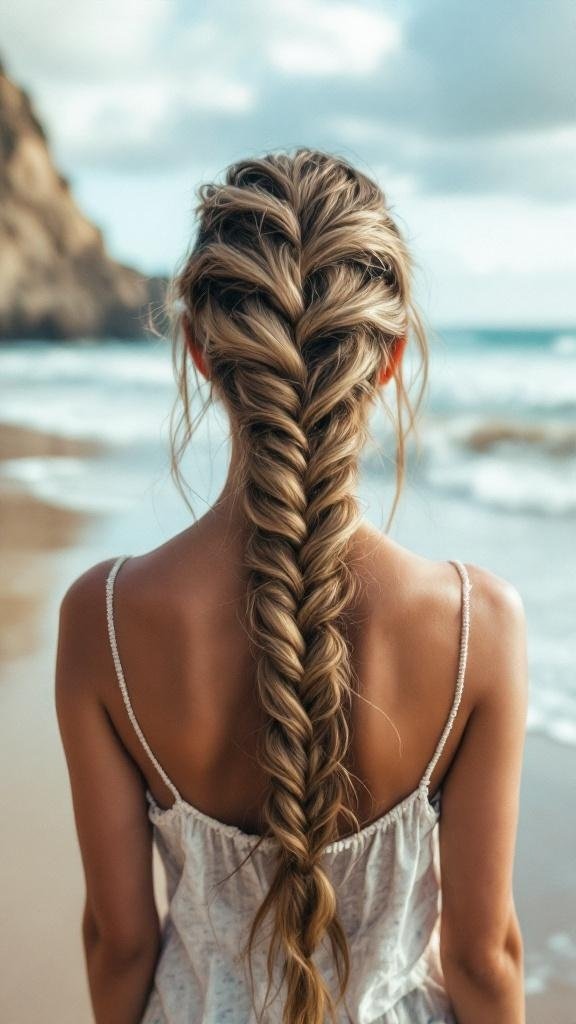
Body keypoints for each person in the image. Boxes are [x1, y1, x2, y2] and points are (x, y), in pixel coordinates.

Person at [55, 148, 528, 1024]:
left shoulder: (106, 618)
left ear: (199, 351)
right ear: (389, 358)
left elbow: (117, 942)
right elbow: (483, 954)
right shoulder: (478, 627)